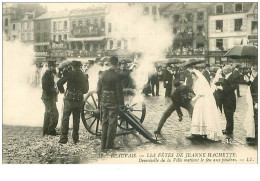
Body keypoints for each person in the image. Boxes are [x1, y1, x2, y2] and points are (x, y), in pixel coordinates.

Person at [186, 70, 223, 141]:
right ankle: (197, 133)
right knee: (199, 116)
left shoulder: (200, 82)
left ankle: (202, 133)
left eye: (193, 76)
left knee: (201, 115)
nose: (193, 77)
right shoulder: (198, 81)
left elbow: (202, 93)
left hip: (203, 101)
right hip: (201, 100)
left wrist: (194, 98)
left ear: (196, 75)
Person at [97, 56, 124, 151]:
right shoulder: (116, 75)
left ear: (109, 63)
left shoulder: (102, 74)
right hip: (113, 101)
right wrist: (122, 104)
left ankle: (102, 145)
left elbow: (98, 90)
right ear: (116, 64)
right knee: (112, 123)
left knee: (104, 122)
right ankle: (110, 144)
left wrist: (100, 100)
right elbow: (119, 91)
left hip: (103, 100)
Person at [58, 60, 89, 144]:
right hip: (78, 99)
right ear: (80, 66)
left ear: (72, 66)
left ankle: (63, 139)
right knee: (76, 119)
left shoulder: (70, 73)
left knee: (65, 118)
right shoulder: (83, 75)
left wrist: (62, 91)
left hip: (69, 98)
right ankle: (75, 138)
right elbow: (86, 90)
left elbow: (59, 83)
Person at [41, 60, 59, 136]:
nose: (55, 68)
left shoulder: (49, 74)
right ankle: (51, 131)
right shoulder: (46, 75)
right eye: (53, 67)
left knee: (47, 114)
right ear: (50, 66)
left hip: (47, 97)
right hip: (48, 97)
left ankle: (45, 131)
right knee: (54, 114)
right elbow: (45, 87)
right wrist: (54, 91)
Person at [219, 66, 237, 135]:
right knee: (227, 114)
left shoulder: (232, 77)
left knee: (229, 114)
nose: (223, 71)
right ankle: (228, 128)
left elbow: (231, 88)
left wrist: (221, 88)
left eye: (223, 70)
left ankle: (229, 130)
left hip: (229, 99)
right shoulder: (227, 77)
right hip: (226, 99)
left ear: (226, 71)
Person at [244, 65, 258, 144]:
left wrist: (257, 102)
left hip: (256, 102)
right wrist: (248, 81)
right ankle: (254, 136)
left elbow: (256, 91)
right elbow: (253, 86)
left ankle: (256, 139)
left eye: (252, 69)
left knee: (256, 120)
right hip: (253, 101)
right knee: (254, 118)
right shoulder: (256, 78)